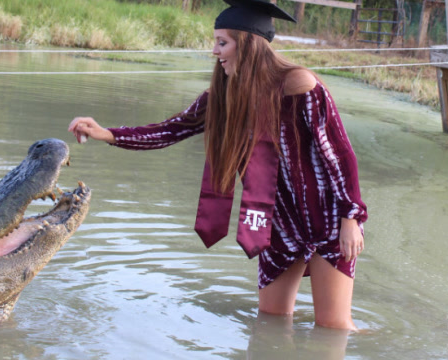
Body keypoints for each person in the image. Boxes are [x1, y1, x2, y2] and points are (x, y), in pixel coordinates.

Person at [68, 0, 367, 330]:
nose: (214, 51)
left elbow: (339, 156)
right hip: (278, 223)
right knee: (270, 321)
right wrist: (108, 134)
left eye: (222, 42)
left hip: (327, 218)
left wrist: (351, 218)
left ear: (249, 44)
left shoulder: (301, 86)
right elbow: (170, 130)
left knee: (333, 328)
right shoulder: (221, 97)